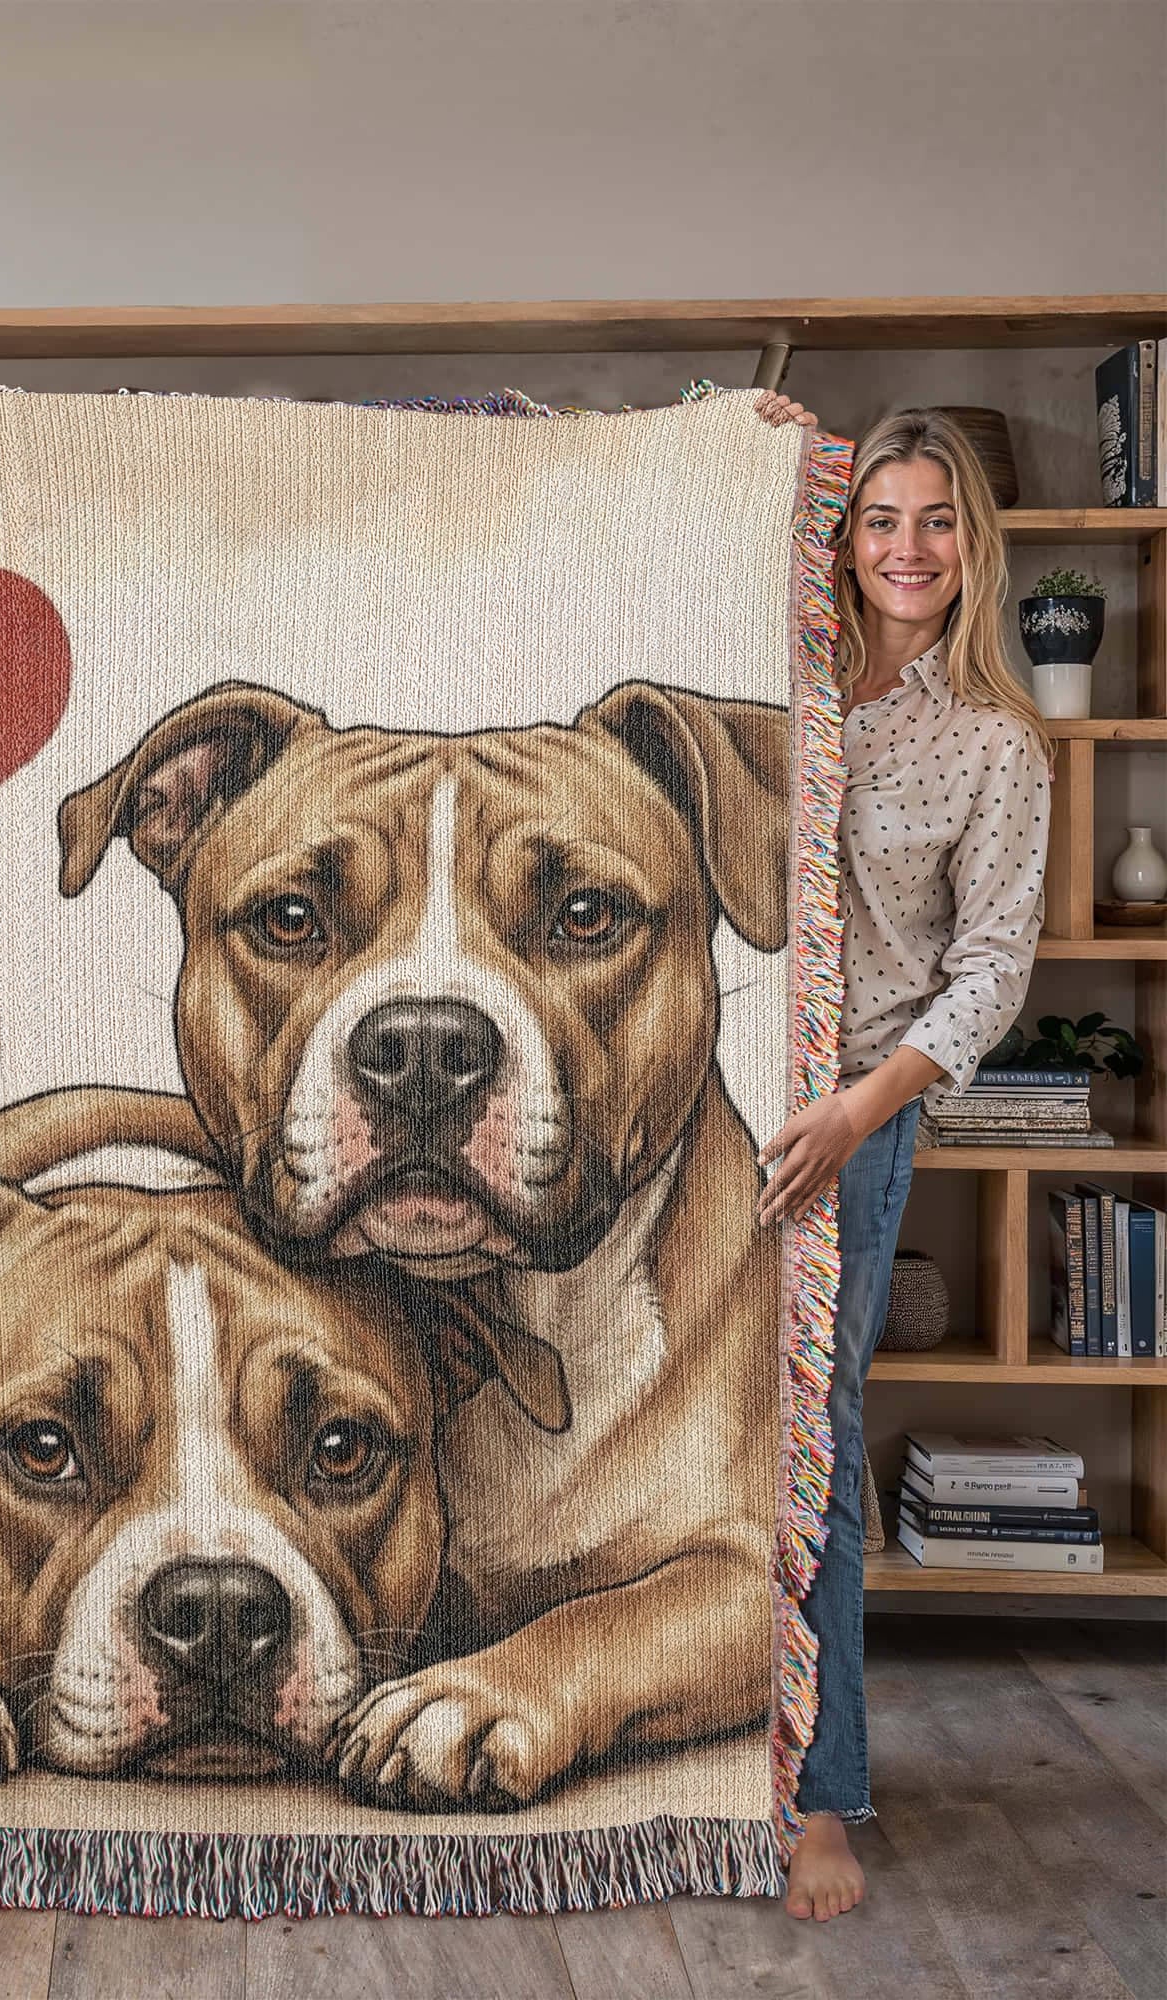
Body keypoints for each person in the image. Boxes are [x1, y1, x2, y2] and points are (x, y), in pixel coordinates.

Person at [752, 395, 1051, 1920]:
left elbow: (991, 970)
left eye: (937, 521)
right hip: (714, 1095)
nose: (909, 548)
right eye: (882, 519)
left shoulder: (993, 738)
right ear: (841, 536)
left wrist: (860, 1112)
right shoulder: (775, 678)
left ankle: (821, 1792)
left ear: (971, 544)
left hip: (852, 1125)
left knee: (817, 1435)